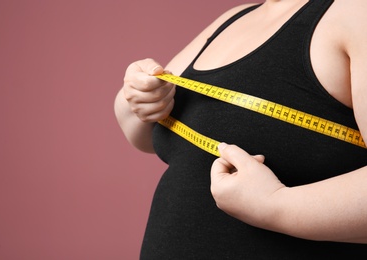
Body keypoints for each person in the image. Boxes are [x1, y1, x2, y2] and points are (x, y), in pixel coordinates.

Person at [114, 0, 367, 258]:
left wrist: (276, 206)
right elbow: (149, 137)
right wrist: (133, 97)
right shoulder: (234, 19)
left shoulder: (356, 13)